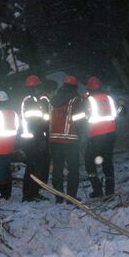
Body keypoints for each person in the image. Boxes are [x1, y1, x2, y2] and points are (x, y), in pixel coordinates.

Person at [49, 75, 85, 203]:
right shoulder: (76, 100)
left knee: (57, 169)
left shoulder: (52, 100)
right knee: (73, 170)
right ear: (75, 86)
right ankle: (71, 198)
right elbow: (80, 121)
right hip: (71, 141)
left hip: (54, 141)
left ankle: (59, 198)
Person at [83, 77, 120, 198]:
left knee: (89, 162)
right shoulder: (108, 98)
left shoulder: (89, 100)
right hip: (110, 134)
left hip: (96, 136)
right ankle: (110, 191)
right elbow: (115, 114)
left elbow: (85, 118)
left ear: (89, 88)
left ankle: (97, 190)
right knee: (107, 162)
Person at [20, 75, 51, 202]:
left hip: (37, 139)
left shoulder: (38, 100)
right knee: (33, 167)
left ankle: (34, 191)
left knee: (40, 166)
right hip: (32, 140)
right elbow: (37, 122)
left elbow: (46, 119)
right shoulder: (29, 101)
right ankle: (28, 195)